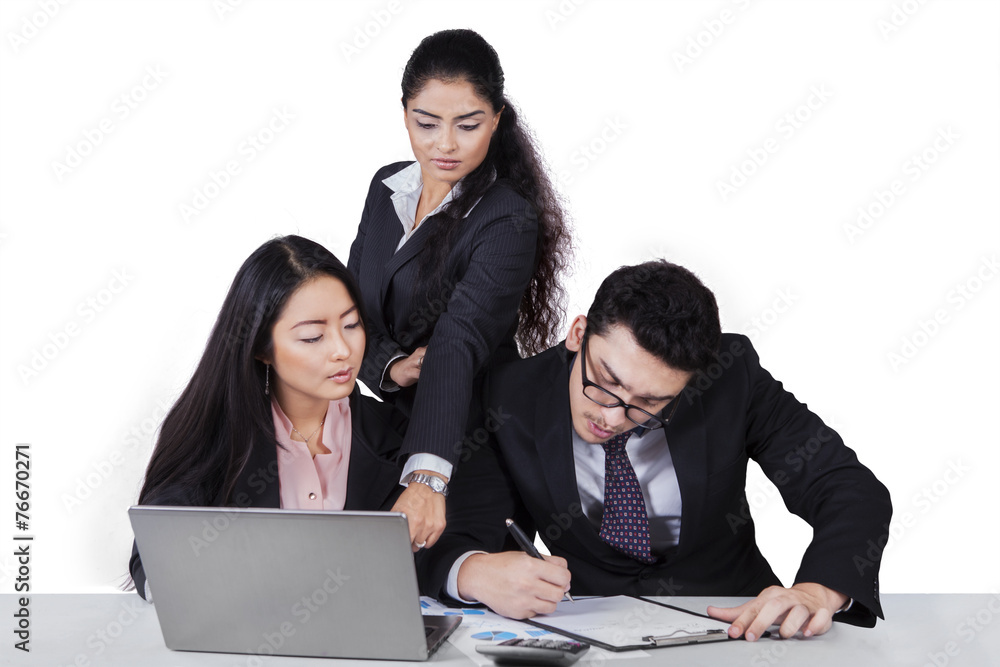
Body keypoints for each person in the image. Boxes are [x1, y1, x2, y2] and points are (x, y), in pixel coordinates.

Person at [417, 260, 893, 641]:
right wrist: (474, 572)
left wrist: (819, 591)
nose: (612, 417)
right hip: (589, 633)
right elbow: (462, 530)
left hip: (739, 629)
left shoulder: (732, 378)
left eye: (649, 403)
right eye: (605, 382)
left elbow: (847, 488)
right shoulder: (509, 396)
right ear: (578, 333)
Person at [348, 28, 572, 552]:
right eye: (426, 123)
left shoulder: (507, 218)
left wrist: (428, 477)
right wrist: (389, 366)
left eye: (467, 125)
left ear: (495, 120)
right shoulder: (386, 187)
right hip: (387, 429)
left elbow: (458, 338)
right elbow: (352, 305)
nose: (445, 144)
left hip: (471, 443)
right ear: (405, 114)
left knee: (464, 579)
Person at [128, 235, 409, 600]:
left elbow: (433, 553)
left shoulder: (398, 433)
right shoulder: (217, 432)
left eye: (351, 324)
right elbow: (154, 556)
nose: (342, 350)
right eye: (313, 337)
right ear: (262, 348)